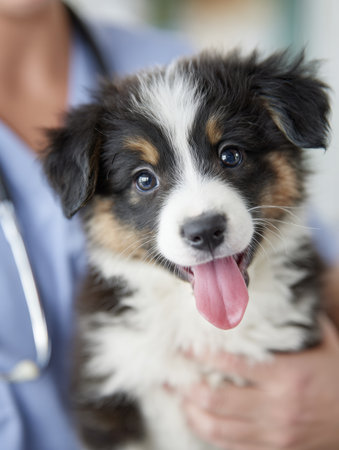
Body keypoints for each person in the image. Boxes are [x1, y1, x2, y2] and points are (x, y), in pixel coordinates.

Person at [1, 2, 339, 450]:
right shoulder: (116, 348)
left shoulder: (180, 54)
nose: (200, 214)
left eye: (231, 155)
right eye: (145, 179)